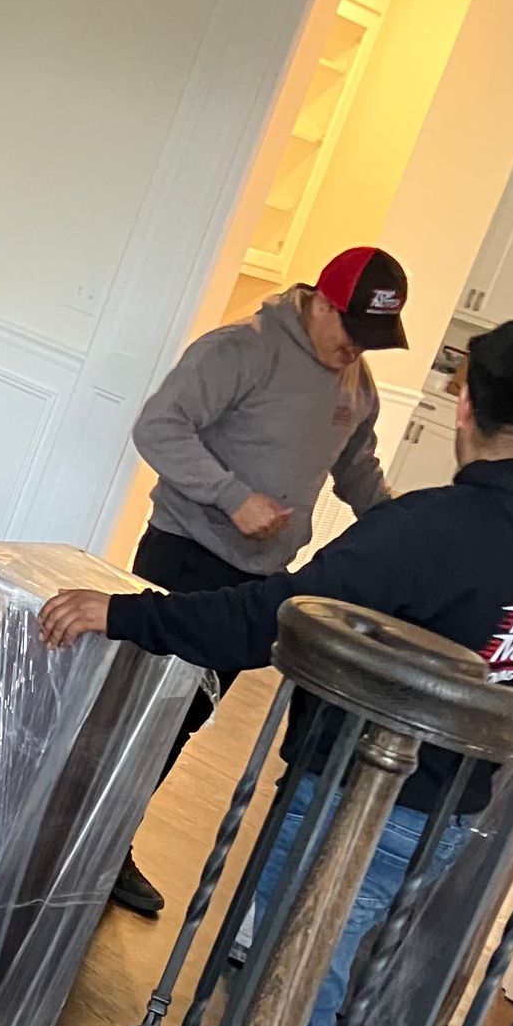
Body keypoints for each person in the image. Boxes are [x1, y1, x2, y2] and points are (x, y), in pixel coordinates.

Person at [42, 315, 513, 1026]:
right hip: (454, 805)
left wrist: (122, 613)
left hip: (359, 793)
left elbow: (269, 617)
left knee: (294, 980)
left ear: (465, 403)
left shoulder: (435, 528)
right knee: (303, 971)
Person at [111, 245, 409, 919]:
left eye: (372, 339)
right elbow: (157, 427)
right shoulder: (240, 350)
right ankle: (83, 839)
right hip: (185, 555)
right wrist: (231, 495)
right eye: (351, 330)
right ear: (323, 303)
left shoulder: (356, 386)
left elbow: (358, 472)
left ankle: (108, 842)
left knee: (186, 720)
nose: (356, 349)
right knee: (142, 710)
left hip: (258, 581)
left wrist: (408, 526)